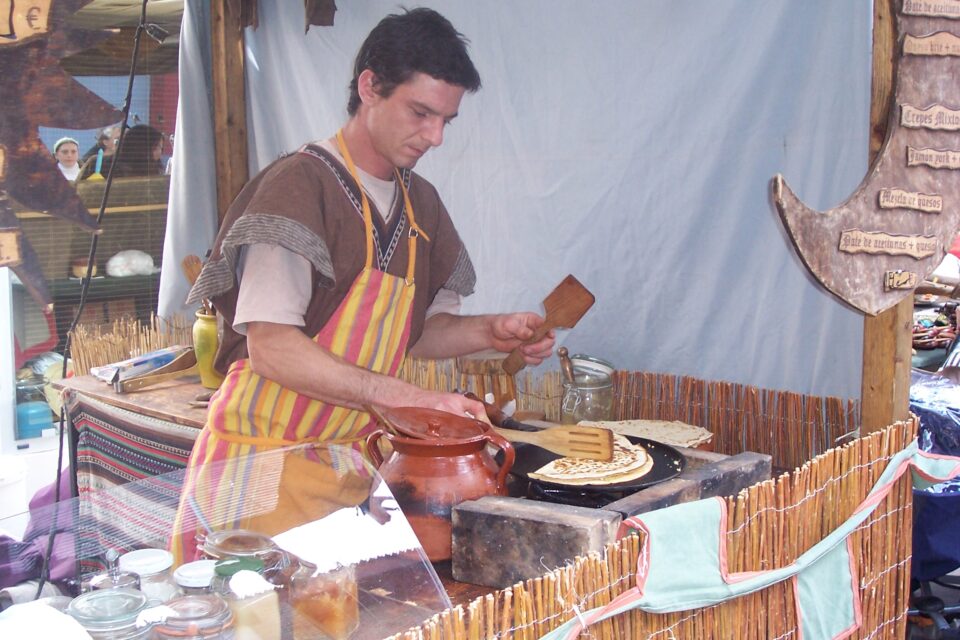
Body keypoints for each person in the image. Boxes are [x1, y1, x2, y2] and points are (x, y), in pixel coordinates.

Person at [172, 8, 554, 560]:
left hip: (352, 471)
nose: (436, 136)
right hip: (261, 474)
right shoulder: (300, 188)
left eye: (446, 119)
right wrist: (408, 396)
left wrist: (491, 332)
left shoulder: (421, 207)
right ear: (369, 86)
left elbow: (415, 334)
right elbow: (272, 348)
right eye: (421, 113)